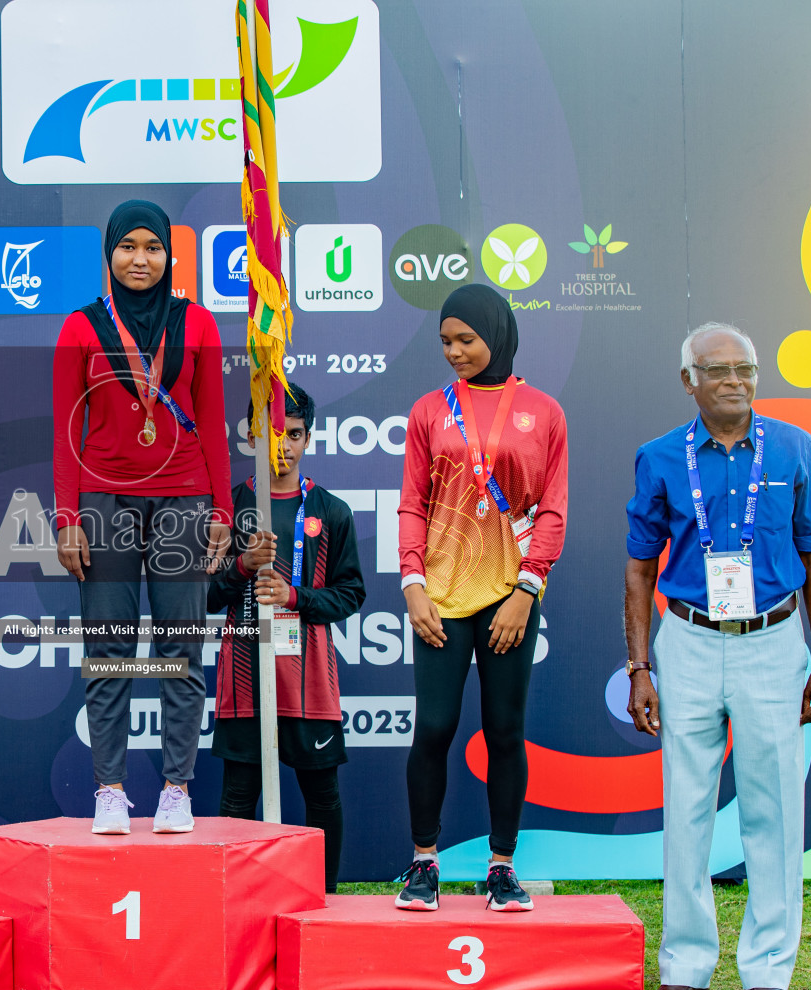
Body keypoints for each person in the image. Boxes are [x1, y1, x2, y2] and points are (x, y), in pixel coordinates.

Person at [623, 323, 811, 990]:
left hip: (774, 641)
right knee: (685, 807)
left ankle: (767, 970)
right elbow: (638, 567)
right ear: (689, 382)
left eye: (746, 369)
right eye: (719, 371)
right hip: (686, 639)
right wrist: (639, 666)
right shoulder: (658, 458)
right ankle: (685, 967)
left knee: (773, 807)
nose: (737, 382)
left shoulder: (795, 449)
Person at [53, 199, 231, 835]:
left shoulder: (199, 325)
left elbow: (211, 421)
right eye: (127, 247)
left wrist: (221, 509)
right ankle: (110, 789)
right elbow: (65, 427)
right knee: (108, 648)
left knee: (182, 646)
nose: (140, 259)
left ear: (169, 254)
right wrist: (68, 516)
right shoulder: (79, 327)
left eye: (152, 247)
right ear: (108, 255)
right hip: (104, 502)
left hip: (184, 497)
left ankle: (177, 789)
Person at [396, 282, 568, 912]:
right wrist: (413, 583)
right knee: (435, 727)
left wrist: (528, 588)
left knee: (504, 730)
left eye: (465, 339)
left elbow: (553, 508)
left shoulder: (544, 411)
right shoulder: (428, 411)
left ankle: (501, 867)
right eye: (445, 341)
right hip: (438, 592)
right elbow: (413, 502)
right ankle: (422, 865)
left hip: (510, 592)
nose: (454, 352)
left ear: (496, 334)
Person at [209, 386, 364, 892]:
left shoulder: (331, 511)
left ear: (308, 438)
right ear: (253, 436)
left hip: (309, 684)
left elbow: (351, 594)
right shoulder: (229, 507)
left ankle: (328, 904)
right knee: (237, 800)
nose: (283, 446)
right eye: (273, 433)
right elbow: (205, 597)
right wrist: (242, 567)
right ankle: (239, 907)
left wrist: (295, 597)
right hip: (244, 683)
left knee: (322, 798)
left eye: (294, 434)